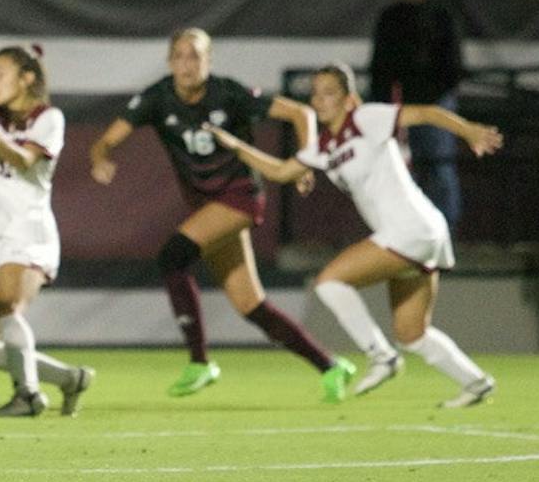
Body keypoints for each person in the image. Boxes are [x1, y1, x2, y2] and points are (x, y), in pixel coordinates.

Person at [206, 63, 501, 407]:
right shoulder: (323, 146)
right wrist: (236, 146)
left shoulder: (366, 119)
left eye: (329, 92)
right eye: (315, 93)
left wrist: (467, 131)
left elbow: (427, 113)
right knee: (411, 333)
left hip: (411, 228)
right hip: (418, 233)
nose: (320, 100)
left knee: (330, 282)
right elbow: (283, 171)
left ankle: (380, 357)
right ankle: (476, 382)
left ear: (349, 99)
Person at [89, 27, 356, 402]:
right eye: (179, 56)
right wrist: (101, 158)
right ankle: (330, 365)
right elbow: (106, 140)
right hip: (208, 207)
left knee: (172, 256)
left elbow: (300, 113)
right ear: (169, 62)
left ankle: (199, 362)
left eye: (195, 56)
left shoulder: (228, 93)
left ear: (208, 61)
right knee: (251, 305)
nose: (187, 64)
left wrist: (305, 161)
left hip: (240, 198)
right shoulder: (157, 98)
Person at [0, 44, 95, 417]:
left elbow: (26, 160)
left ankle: (27, 394)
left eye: (0, 72)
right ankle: (69, 378)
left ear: (27, 78)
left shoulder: (49, 118)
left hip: (30, 229)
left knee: (6, 308)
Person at [369, 0, 466, 230]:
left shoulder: (441, 15)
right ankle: (414, 229)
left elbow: (453, 60)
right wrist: (382, 103)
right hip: (406, 105)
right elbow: (382, 63)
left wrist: (441, 91)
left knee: (439, 164)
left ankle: (445, 228)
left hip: (435, 102)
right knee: (406, 168)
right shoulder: (391, 16)